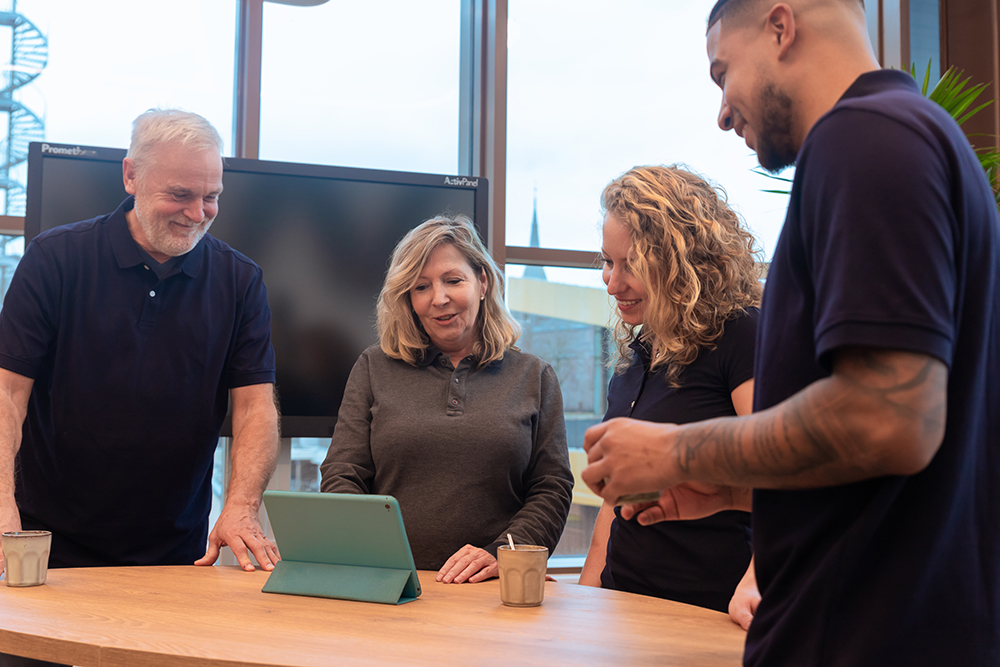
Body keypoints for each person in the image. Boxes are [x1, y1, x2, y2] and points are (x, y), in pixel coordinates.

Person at [582, 1, 1000, 665]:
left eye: (723, 73)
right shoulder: (920, 137)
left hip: (857, 636)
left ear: (780, 26)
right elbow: (896, 459)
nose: (722, 110)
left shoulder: (863, 139)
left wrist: (678, 452)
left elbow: (890, 418)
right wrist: (731, 490)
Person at [0, 109, 281, 579]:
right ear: (131, 175)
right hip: (43, 541)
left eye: (211, 197)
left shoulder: (240, 280)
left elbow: (256, 406)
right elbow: (8, 393)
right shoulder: (55, 258)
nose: (197, 214)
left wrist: (242, 505)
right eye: (180, 195)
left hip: (175, 552)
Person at [320, 215, 574, 584]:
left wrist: (505, 553)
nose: (439, 299)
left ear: (483, 282)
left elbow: (552, 485)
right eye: (421, 287)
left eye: (453, 281)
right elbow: (343, 475)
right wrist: (377, 554)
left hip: (494, 589)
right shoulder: (373, 367)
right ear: (407, 298)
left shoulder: (534, 376)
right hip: (390, 584)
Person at [578, 165, 760, 617]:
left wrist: (759, 582)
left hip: (711, 611)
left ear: (682, 263)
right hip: (624, 609)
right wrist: (585, 601)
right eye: (607, 262)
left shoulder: (741, 335)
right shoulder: (635, 358)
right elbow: (613, 502)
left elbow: (791, 475)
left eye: (632, 266)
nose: (612, 283)